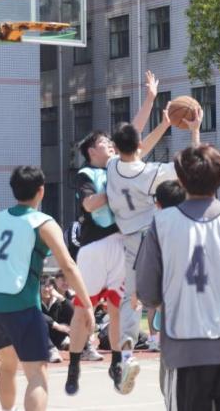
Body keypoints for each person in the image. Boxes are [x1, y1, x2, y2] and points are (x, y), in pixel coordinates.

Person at [136, 144, 220, 410]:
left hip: (186, 348)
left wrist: (176, 306)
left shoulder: (162, 223)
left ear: (180, 179)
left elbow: (148, 291)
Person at [64, 71, 168, 396]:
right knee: (83, 310)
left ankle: (117, 364)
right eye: (102, 143)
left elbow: (137, 141)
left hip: (123, 243)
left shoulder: (118, 166)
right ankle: (74, 364)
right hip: (95, 246)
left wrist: (152, 102)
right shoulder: (88, 173)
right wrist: (116, 192)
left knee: (118, 308)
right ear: (91, 151)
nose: (109, 144)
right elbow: (90, 204)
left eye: (111, 142)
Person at [0, 165, 95, 411]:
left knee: (8, 365)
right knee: (36, 372)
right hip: (20, 304)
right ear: (41, 191)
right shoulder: (43, 222)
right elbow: (68, 265)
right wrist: (87, 304)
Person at [104, 104, 202, 395]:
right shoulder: (151, 172)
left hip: (131, 238)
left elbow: (137, 149)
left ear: (115, 147)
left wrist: (164, 125)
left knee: (131, 298)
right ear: (137, 144)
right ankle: (183, 341)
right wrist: (194, 131)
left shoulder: (111, 166)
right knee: (171, 289)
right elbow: (191, 166)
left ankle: (126, 353)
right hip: (157, 232)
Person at [147, 180, 186, 353]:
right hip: (180, 272)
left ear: (158, 202)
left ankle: (155, 339)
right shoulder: (191, 219)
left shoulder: (156, 221)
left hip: (162, 270)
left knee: (154, 304)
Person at [41, 277, 73, 362]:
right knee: (39, 322)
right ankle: (51, 350)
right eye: (43, 286)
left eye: (49, 286)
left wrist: (61, 298)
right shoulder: (34, 301)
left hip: (57, 336)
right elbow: (36, 314)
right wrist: (55, 325)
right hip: (39, 337)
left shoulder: (57, 301)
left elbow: (73, 313)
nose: (46, 289)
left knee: (77, 319)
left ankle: (85, 347)